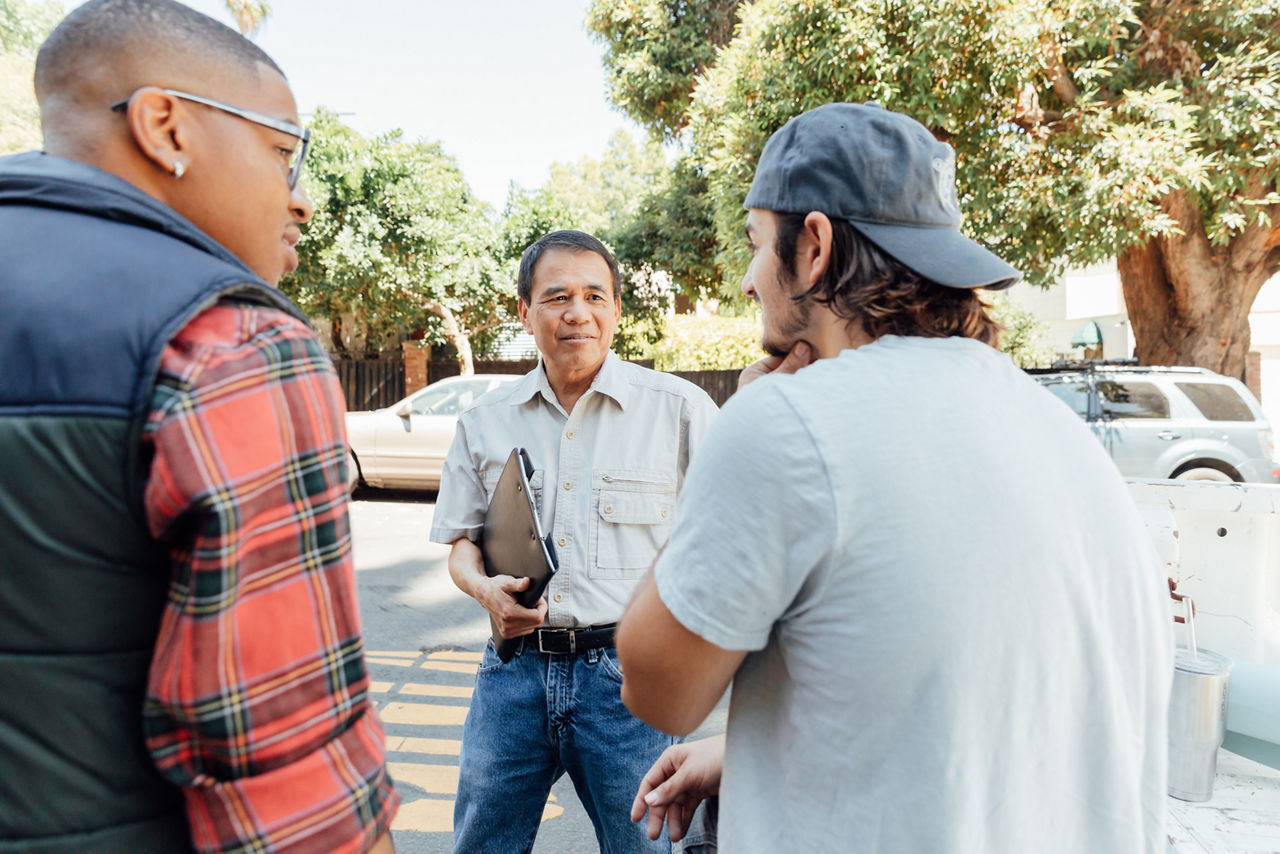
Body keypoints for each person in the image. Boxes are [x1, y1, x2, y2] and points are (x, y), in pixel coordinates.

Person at [617, 102, 1173, 853]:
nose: (750, 280)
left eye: (755, 244)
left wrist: (742, 424)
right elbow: (971, 695)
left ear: (812, 247)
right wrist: (745, 754)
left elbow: (656, 689)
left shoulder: (784, 425)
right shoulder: (1060, 436)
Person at [0, 1, 397, 851]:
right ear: (164, 126)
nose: (302, 202)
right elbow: (285, 769)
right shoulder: (231, 341)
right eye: (283, 153)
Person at [429, 229, 718, 853]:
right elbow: (461, 546)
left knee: (645, 846)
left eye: (594, 295)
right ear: (524, 310)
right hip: (513, 673)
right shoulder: (483, 421)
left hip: (627, 681)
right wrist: (485, 592)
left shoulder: (681, 412)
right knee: (482, 843)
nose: (577, 312)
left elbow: (726, 548)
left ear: (616, 309)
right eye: (557, 296)